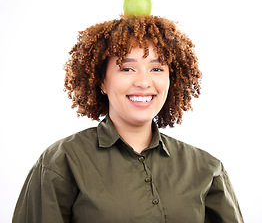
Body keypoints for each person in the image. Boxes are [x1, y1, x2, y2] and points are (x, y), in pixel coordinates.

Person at [13, 15, 244, 222]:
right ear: (101, 81)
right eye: (127, 69)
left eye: (156, 69)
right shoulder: (62, 163)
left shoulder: (207, 168)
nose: (144, 82)